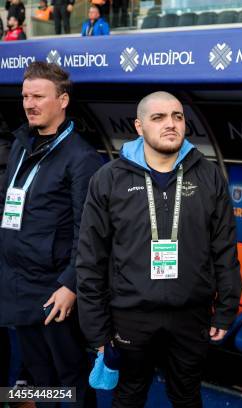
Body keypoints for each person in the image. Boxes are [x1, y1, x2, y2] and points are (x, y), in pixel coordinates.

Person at [77, 91, 242, 407]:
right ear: (139, 126)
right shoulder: (108, 179)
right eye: (159, 117)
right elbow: (90, 258)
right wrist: (97, 330)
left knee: (187, 394)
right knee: (129, 393)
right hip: (130, 315)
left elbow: (224, 248)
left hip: (191, 314)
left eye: (177, 117)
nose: (171, 124)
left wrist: (225, 311)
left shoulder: (208, 175)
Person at [0, 61, 102, 407]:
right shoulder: (21, 145)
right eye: (25, 96)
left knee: (70, 378)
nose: (29, 103)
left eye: (38, 96)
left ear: (62, 100)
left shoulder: (82, 157)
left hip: (53, 290)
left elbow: (88, 231)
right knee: (40, 379)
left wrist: (70, 285)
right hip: (17, 284)